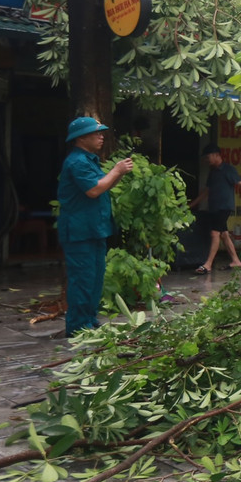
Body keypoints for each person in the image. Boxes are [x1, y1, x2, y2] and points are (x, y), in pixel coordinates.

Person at [57, 117, 133, 336]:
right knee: (82, 280)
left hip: (94, 229)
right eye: (96, 134)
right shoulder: (77, 162)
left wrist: (118, 173)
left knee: (95, 279)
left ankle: (89, 321)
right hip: (79, 232)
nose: (101, 137)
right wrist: (117, 170)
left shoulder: (89, 159)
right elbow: (94, 190)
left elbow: (105, 185)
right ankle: (77, 328)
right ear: (81, 138)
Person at [189, 144, 241, 274]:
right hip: (214, 208)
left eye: (208, 157)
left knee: (215, 233)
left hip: (224, 207)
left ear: (216, 155)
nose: (207, 160)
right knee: (224, 234)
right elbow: (206, 192)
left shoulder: (229, 170)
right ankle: (236, 260)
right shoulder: (212, 173)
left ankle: (208, 264)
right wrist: (191, 205)